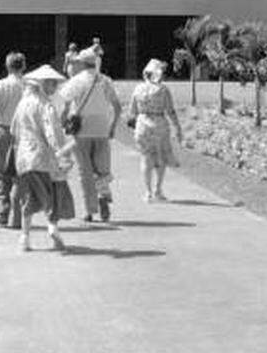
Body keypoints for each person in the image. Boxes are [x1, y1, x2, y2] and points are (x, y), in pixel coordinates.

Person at [12, 64, 75, 252]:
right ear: (42, 84)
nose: (54, 86)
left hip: (23, 158)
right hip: (42, 158)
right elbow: (52, 134)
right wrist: (62, 154)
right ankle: (52, 229)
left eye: (54, 83)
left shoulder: (22, 104)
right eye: (51, 83)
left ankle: (25, 237)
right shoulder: (46, 105)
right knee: (52, 195)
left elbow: (13, 130)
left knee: (29, 198)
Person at [59, 46, 121, 222]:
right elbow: (117, 107)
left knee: (85, 172)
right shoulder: (106, 81)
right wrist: (112, 127)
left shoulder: (77, 81)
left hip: (82, 131)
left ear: (82, 63)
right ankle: (103, 197)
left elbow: (64, 106)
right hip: (102, 130)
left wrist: (63, 123)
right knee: (102, 169)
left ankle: (89, 210)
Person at [127, 59, 183, 202]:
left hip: (142, 124)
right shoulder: (163, 90)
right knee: (161, 158)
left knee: (146, 158)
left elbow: (132, 111)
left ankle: (147, 192)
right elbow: (170, 111)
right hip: (160, 124)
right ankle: (158, 190)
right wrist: (178, 127)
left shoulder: (138, 88)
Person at [0, 51, 26, 228]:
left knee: (1, 174)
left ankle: (3, 211)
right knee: (19, 175)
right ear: (23, 66)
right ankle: (17, 217)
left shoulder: (0, 85)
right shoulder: (28, 86)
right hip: (23, 133)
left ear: (7, 66)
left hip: (2, 130)